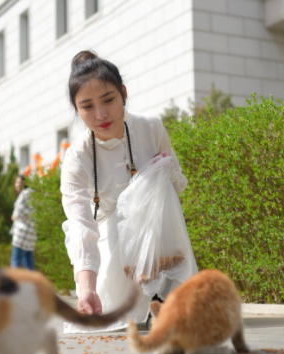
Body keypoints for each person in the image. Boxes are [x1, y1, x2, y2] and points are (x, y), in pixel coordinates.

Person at [60, 51, 191, 333]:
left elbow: (176, 188)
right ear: (76, 109)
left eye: (108, 100)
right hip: (113, 239)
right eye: (87, 107)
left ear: (123, 93)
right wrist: (86, 288)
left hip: (156, 232)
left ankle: (165, 294)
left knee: (159, 181)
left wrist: (155, 177)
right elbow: (81, 225)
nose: (101, 115)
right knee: (108, 315)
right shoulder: (76, 158)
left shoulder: (151, 127)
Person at [10, 175, 38, 270]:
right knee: (28, 261)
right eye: (16, 182)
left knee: (16, 261)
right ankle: (33, 283)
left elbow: (19, 212)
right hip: (32, 233)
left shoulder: (24, 194)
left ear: (25, 183)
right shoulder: (33, 193)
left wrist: (14, 216)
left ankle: (14, 283)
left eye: (20, 182)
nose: (17, 185)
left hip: (21, 233)